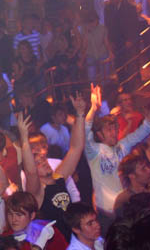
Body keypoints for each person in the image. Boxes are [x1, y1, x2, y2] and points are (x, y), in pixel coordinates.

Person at [85, 84, 150, 230]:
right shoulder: (94, 151)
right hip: (106, 213)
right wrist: (93, 108)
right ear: (99, 134)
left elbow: (147, 128)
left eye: (115, 128)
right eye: (109, 129)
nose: (114, 132)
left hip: (126, 208)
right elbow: (85, 129)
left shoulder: (123, 146)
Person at [20, 92, 87, 239]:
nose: (43, 161)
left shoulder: (58, 177)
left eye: (43, 159)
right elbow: (30, 172)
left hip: (73, 240)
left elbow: (76, 148)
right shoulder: (36, 191)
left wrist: (80, 114)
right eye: (37, 162)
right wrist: (24, 138)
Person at [1, 192, 68, 250]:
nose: (13, 219)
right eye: (10, 214)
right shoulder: (5, 238)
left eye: (19, 215)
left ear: (32, 215)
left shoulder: (48, 232)